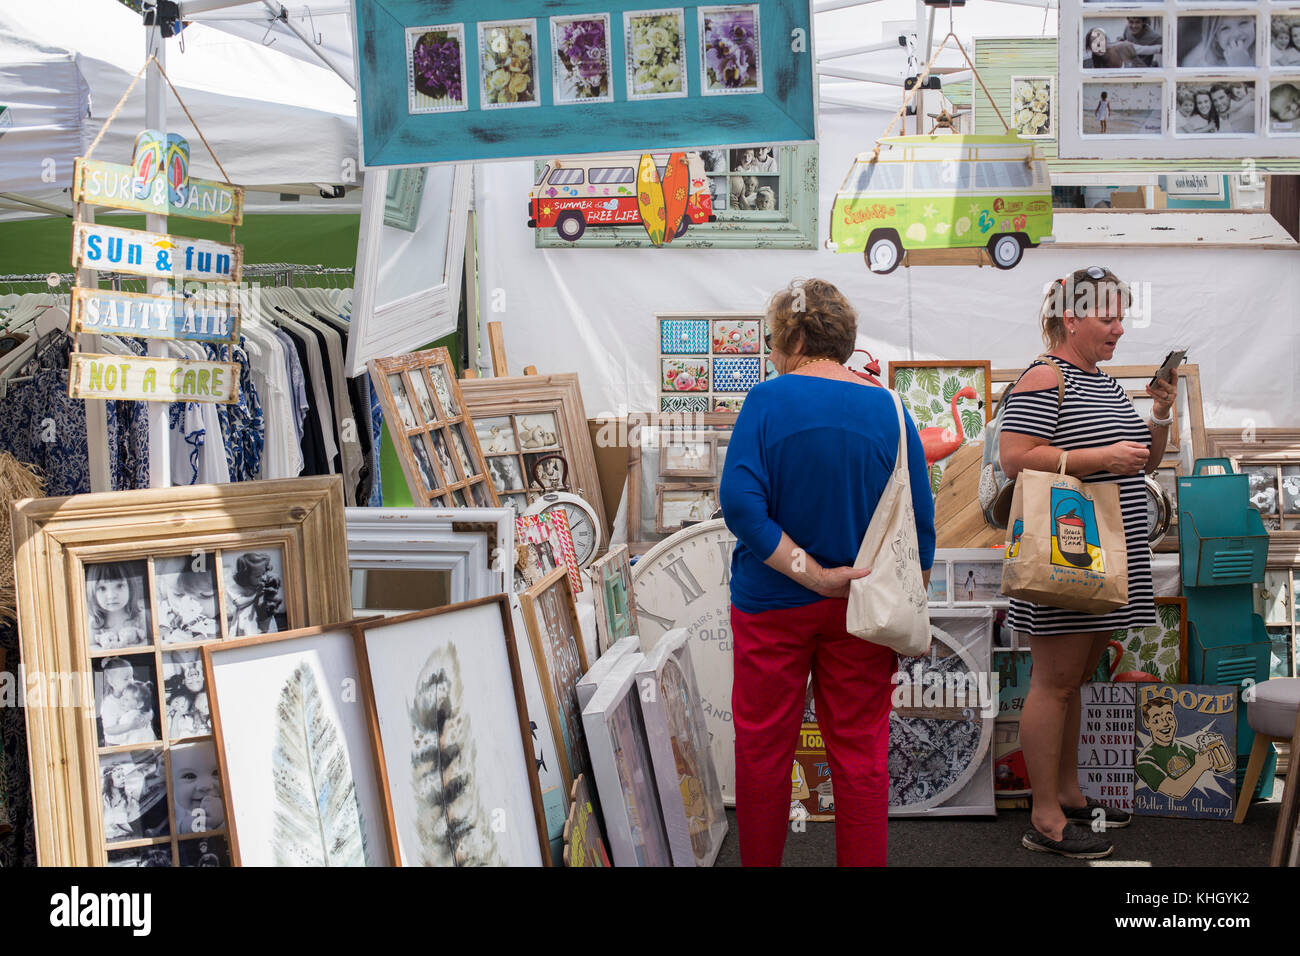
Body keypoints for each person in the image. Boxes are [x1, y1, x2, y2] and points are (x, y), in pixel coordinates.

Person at [720, 278, 935, 867]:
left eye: (772, 340)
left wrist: (809, 572)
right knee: (861, 754)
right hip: (863, 609)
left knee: (764, 751)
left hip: (770, 606)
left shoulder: (766, 401)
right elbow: (920, 525)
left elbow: (740, 505)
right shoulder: (891, 409)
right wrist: (902, 600)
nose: (771, 353)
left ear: (793, 339)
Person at [999, 266, 1176, 859]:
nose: (1120, 328)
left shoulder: (1101, 382)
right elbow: (1014, 457)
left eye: (1122, 316)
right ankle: (1045, 818)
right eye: (1108, 317)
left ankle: (1070, 795)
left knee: (1072, 682)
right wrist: (1100, 457)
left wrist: (1159, 414)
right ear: (1071, 318)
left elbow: (1144, 461)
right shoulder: (1045, 376)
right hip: (1068, 554)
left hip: (1104, 557)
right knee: (1054, 684)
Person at [86, 563, 149, 649]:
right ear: (93, 592)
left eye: (119, 586)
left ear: (130, 587)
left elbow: (150, 641)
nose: (111, 596)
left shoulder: (140, 616)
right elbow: (91, 647)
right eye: (102, 588)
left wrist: (128, 647)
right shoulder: (95, 622)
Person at [1180, 16, 1255, 68]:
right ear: (1215, 36)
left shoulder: (1261, 55)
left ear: (1254, 21)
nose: (1236, 33)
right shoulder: (1203, 63)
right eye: (1225, 28)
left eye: (1243, 23)